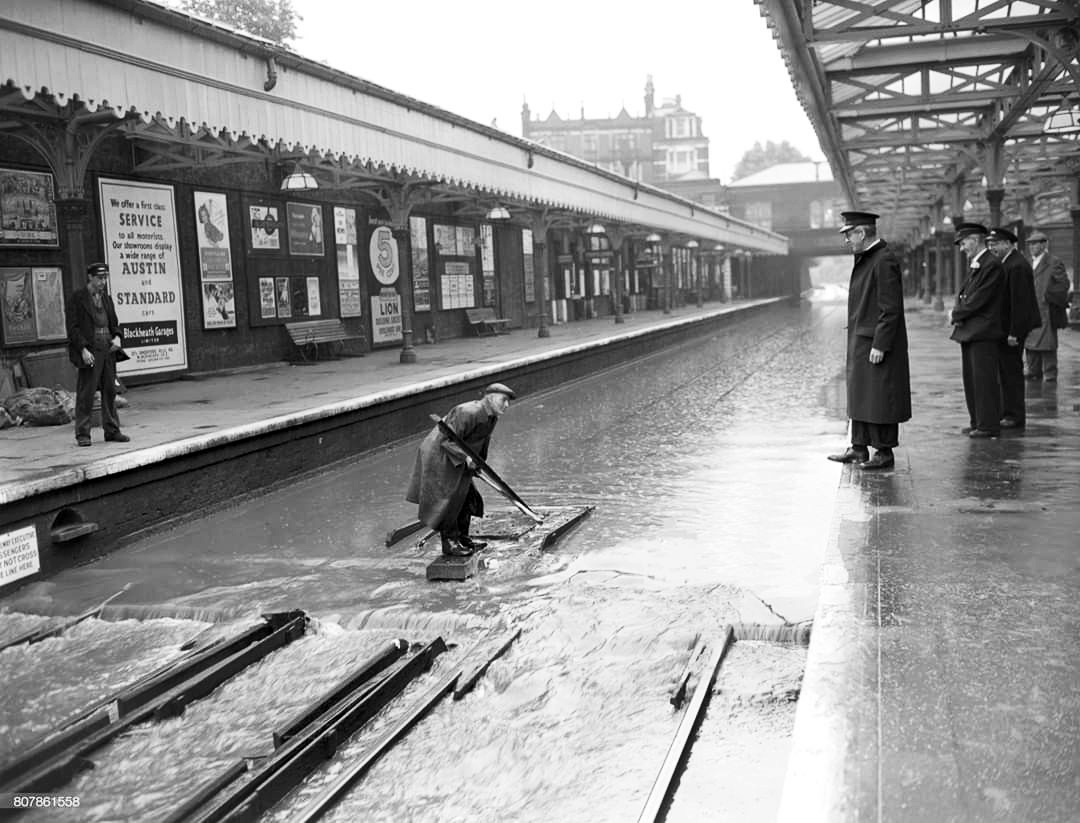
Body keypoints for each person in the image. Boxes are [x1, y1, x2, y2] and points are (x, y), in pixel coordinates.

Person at [827, 211, 911, 470]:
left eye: (849, 235)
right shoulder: (868, 258)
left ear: (862, 233)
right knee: (862, 394)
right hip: (862, 340)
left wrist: (880, 344)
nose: (848, 241)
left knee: (881, 396)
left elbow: (891, 308)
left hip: (874, 342)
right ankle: (859, 447)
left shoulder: (882, 260)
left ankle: (884, 452)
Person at [406, 383, 515, 556]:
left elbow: (481, 441)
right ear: (491, 397)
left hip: (460, 459)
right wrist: (466, 458)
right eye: (504, 400)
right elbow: (446, 441)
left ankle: (462, 538)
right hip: (440, 457)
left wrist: (478, 463)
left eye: (508, 401)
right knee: (449, 500)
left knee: (468, 498)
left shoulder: (492, 416)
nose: (506, 405)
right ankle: (449, 543)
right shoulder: (467, 412)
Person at [950, 223, 1006, 438]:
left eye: (964, 243)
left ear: (974, 240)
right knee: (973, 380)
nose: (962, 248)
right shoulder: (980, 263)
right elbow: (969, 296)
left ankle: (988, 425)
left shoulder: (990, 264)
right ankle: (978, 422)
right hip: (972, 332)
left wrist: (955, 313)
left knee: (984, 381)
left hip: (983, 332)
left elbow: (977, 300)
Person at [66, 262, 130, 447]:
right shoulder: (78, 299)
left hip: (107, 350)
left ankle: (112, 430)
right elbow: (73, 328)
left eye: (105, 278)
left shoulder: (107, 299)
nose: (103, 282)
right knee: (86, 393)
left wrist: (117, 337)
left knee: (109, 391)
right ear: (90, 277)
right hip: (90, 350)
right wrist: (83, 349)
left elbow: (114, 324)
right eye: (100, 278)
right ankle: (83, 434)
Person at [987, 227, 1040, 429]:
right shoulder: (1008, 262)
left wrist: (1014, 332)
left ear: (1008, 244)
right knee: (1005, 371)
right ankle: (1006, 412)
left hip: (1013, 329)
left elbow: (1020, 302)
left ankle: (1014, 415)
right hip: (1007, 327)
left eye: (996, 244)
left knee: (1011, 373)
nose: (992, 248)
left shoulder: (1016, 266)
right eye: (990, 244)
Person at [1023, 230, 1071, 383]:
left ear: (1044, 245)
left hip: (1046, 310)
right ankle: (1033, 370)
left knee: (1047, 344)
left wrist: (1048, 297)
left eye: (1035, 244)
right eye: (1030, 244)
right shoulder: (1028, 262)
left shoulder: (1053, 261)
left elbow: (1063, 284)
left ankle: (1050, 374)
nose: (1032, 247)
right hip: (1030, 309)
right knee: (1030, 342)